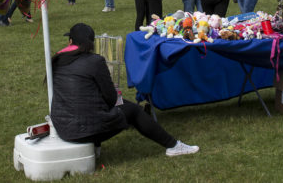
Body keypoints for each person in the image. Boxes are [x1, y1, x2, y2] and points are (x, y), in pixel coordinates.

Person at [50, 23, 199, 157]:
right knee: (134, 111)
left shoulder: (57, 60)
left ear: (71, 42)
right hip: (85, 130)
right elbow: (110, 98)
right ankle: (173, 146)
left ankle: (96, 148)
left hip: (62, 128)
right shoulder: (95, 61)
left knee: (96, 107)